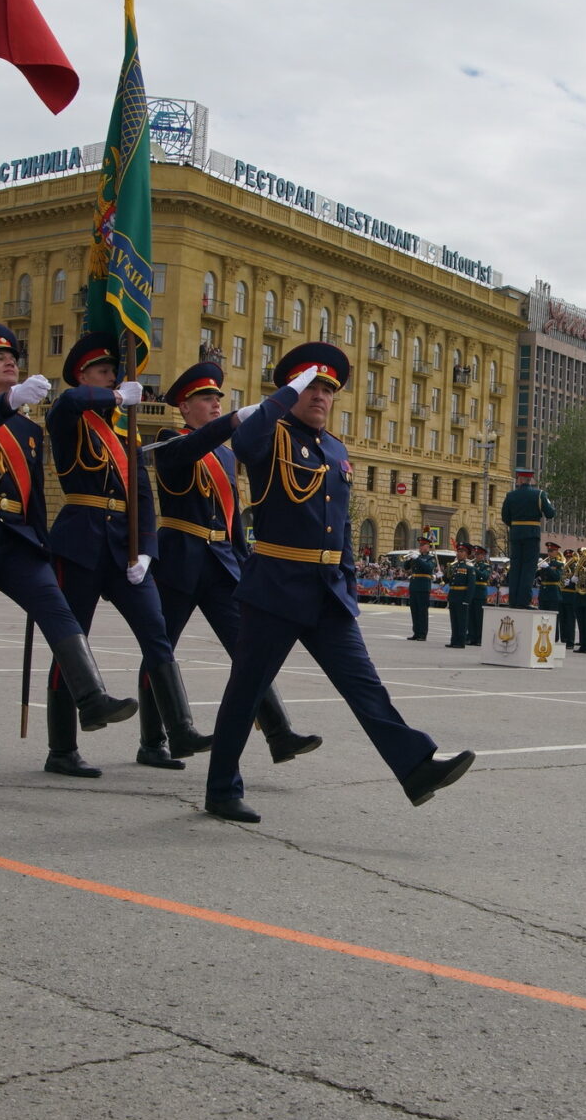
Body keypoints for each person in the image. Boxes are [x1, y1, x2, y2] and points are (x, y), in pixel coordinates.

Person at [200, 343, 474, 823]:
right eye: (312, 387)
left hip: (327, 591)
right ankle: (221, 788)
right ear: (291, 392)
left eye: (328, 389)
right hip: (276, 589)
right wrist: (285, 394)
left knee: (365, 686)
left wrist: (347, 580)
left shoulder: (336, 449)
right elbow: (242, 445)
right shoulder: (272, 435)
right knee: (246, 691)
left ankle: (415, 768)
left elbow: (342, 526)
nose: (321, 396)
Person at [0, 324, 138, 783]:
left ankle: (91, 698)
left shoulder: (26, 426)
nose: (10, 361)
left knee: (57, 610)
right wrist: (8, 402)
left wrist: (42, 540)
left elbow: (33, 494)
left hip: (18, 538)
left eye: (13, 356)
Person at [139, 360, 318, 768]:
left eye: (219, 398)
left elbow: (232, 513)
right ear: (184, 407)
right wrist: (236, 422)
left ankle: (279, 733)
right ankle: (153, 741)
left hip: (221, 564)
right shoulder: (170, 440)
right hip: (180, 560)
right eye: (205, 398)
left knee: (249, 651)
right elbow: (191, 449)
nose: (215, 403)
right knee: (160, 649)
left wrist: (243, 559)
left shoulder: (224, 454)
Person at [498, 467, 554, 608]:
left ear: (520, 479)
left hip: (516, 534)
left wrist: (516, 525)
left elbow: (505, 517)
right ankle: (523, 601)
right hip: (532, 534)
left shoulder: (510, 496)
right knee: (528, 568)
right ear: (530, 480)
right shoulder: (540, 494)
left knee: (516, 567)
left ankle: (513, 600)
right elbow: (550, 513)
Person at [405, 536, 437, 639]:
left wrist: (417, 558)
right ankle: (416, 633)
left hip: (423, 587)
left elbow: (428, 568)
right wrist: (409, 558)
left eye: (423, 545)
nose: (421, 547)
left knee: (422, 611)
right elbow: (406, 567)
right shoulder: (416, 557)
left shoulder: (431, 558)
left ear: (428, 547)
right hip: (414, 586)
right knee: (414, 611)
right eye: (420, 545)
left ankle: (422, 634)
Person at [443, 543, 473, 647]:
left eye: (462, 552)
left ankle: (460, 642)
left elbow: (471, 586)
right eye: (458, 551)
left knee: (462, 620)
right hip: (453, 595)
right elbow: (447, 579)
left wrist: (467, 600)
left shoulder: (469, 568)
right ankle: (454, 641)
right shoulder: (453, 566)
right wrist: (444, 573)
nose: (459, 553)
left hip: (462, 596)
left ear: (467, 554)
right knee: (454, 620)